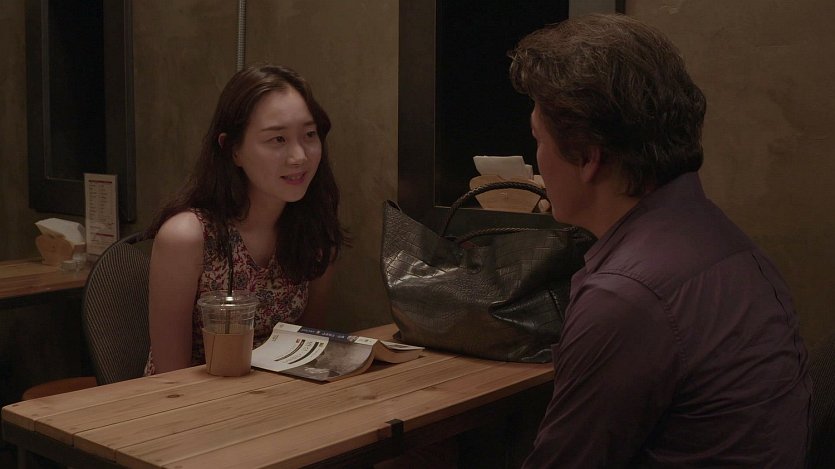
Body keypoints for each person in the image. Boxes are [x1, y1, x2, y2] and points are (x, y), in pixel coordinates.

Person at [508, 14, 810, 467]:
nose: (538, 160)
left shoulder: (626, 296)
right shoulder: (722, 240)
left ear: (589, 157)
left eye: (538, 139)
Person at [144, 64, 347, 374]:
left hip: (279, 394)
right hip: (193, 397)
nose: (299, 157)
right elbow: (169, 377)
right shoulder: (187, 236)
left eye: (309, 135)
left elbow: (308, 348)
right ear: (232, 150)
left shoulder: (314, 230)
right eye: (277, 139)